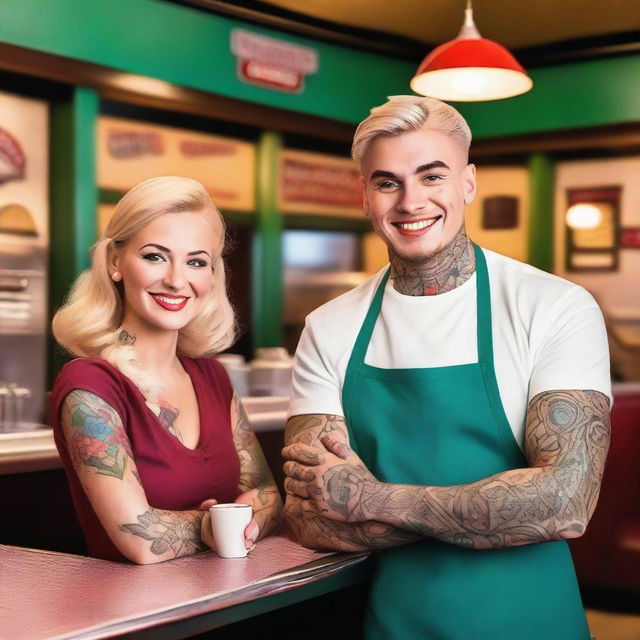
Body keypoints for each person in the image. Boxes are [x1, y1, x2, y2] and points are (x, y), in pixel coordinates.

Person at [282, 96, 611, 639]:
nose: (411, 201)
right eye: (387, 182)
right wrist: (498, 506)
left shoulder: (554, 306)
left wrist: (373, 499)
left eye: (431, 176)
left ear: (468, 183)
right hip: (393, 621)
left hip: (528, 620)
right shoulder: (329, 326)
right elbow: (311, 514)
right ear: (365, 197)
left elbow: (566, 502)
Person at [50, 176, 282, 564]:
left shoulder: (213, 378)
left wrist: (250, 522)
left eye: (196, 261)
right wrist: (213, 526)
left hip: (230, 603)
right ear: (114, 263)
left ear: (212, 274)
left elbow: (269, 495)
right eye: (155, 256)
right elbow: (138, 539)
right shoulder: (89, 386)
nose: (176, 280)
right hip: (137, 618)